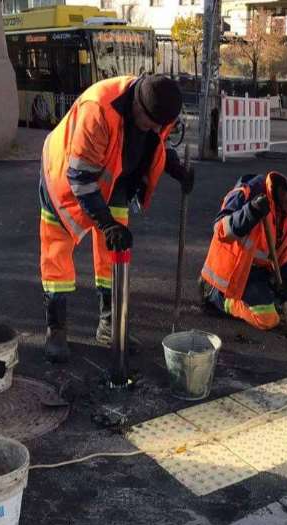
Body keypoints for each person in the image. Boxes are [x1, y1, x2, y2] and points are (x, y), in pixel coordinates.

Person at [39, 75, 194, 363]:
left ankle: (110, 325)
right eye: (150, 122)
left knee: (115, 253)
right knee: (57, 254)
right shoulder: (97, 110)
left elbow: (156, 142)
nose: (157, 128)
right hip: (63, 175)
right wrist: (105, 222)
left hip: (115, 176)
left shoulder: (158, 101)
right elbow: (81, 178)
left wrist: (175, 168)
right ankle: (56, 329)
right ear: (137, 106)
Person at [200, 171, 287, 330]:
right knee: (268, 320)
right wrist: (250, 212)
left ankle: (269, 290)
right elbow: (219, 230)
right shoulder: (250, 192)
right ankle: (221, 300)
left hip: (262, 267)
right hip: (236, 273)